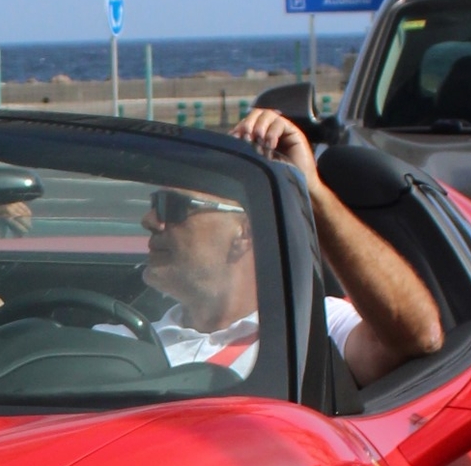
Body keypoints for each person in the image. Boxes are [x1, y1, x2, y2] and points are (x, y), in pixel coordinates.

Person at [154, 108, 444, 385]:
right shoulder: (124, 336)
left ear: (243, 232)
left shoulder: (312, 324)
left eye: (172, 208)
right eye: (155, 204)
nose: (149, 220)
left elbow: (419, 335)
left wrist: (310, 190)